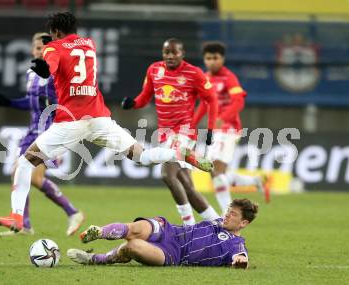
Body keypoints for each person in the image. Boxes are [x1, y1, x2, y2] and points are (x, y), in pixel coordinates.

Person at [0, 12, 214, 233]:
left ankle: (16, 216)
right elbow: (67, 55)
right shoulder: (89, 44)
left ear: (55, 31)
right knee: (142, 156)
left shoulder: (53, 47)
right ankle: (181, 154)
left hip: (70, 121)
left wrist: (44, 64)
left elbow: (50, 67)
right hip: (99, 118)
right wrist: (51, 54)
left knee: (25, 164)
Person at [0, 32, 84, 236]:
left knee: (33, 177)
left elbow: (63, 100)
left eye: (44, 48)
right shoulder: (31, 73)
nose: (41, 51)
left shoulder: (55, 73)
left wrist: (53, 103)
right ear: (33, 50)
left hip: (50, 130)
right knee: (18, 172)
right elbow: (31, 103)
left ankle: (73, 212)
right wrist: (10, 102)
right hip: (32, 131)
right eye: (38, 48)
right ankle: (25, 224)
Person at [121, 38, 220, 225]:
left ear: (182, 54)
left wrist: (210, 129)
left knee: (167, 174)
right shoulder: (154, 70)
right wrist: (133, 103)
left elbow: (212, 99)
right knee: (187, 186)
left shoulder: (194, 73)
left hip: (183, 132)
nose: (170, 56)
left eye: (174, 52)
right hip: (165, 133)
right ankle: (218, 223)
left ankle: (188, 224)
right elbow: (145, 96)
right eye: (167, 52)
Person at [67, 198, 257, 269]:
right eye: (228, 210)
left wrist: (240, 262)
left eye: (233, 214)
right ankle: (100, 231)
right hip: (170, 230)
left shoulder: (236, 244)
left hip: (174, 255)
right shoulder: (218, 221)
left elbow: (241, 257)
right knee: (137, 228)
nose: (227, 215)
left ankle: (95, 259)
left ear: (244, 223)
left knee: (133, 246)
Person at [193, 42, 270, 215]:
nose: (212, 61)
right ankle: (257, 181)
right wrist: (193, 123)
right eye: (208, 58)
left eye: (216, 58)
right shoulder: (205, 78)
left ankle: (228, 214)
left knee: (215, 170)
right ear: (204, 59)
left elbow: (239, 101)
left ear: (222, 59)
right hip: (215, 130)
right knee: (216, 172)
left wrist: (223, 117)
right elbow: (204, 104)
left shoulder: (229, 77)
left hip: (229, 129)